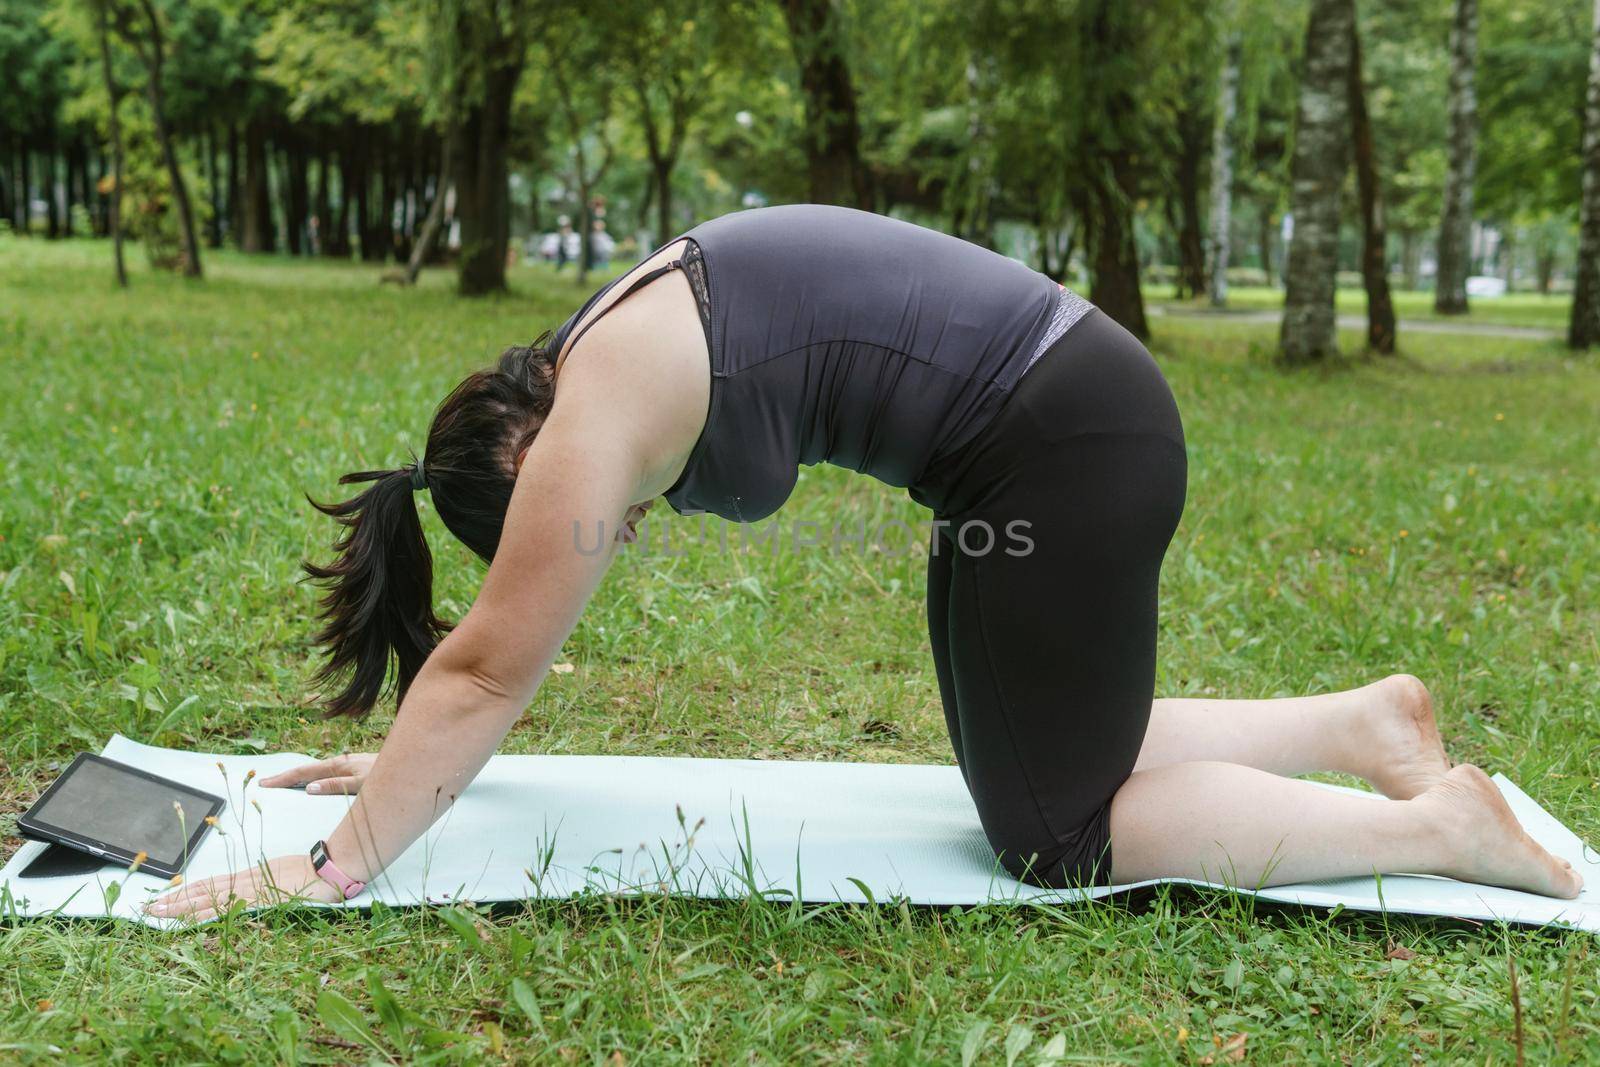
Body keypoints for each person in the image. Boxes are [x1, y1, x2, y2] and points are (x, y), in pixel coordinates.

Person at [149, 204, 1581, 921]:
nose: (609, 539)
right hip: (1040, 435)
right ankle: (1360, 726)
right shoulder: (601, 342)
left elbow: (484, 666)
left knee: (1053, 835)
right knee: (1039, 748)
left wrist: (330, 867)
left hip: (1065, 439)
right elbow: (477, 669)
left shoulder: (595, 412)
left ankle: (1435, 831)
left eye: (572, 529)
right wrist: (403, 758)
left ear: (519, 457)